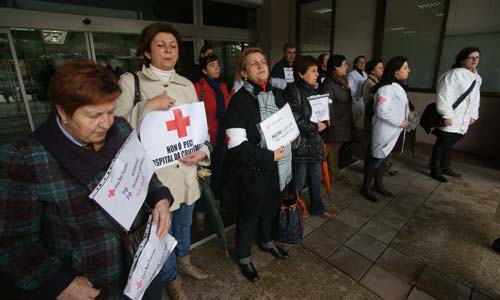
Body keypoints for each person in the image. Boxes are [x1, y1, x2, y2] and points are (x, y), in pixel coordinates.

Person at [0, 60, 172, 300]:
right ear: (62, 111)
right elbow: (13, 243)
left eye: (111, 111)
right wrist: (58, 281)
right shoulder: (26, 159)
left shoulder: (120, 129)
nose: (106, 123)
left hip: (142, 264)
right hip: (90, 284)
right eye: (94, 115)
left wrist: (160, 198)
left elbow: (143, 171)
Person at [115, 22, 210, 299]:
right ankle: (171, 278)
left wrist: (203, 151)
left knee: (183, 226)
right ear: (146, 51)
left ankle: (185, 261)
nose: (168, 50)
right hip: (155, 182)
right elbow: (112, 131)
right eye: (160, 45)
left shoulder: (187, 85)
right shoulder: (130, 83)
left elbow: (198, 130)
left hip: (187, 175)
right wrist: (146, 107)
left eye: (173, 46)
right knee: (161, 234)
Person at [221, 47, 291, 283]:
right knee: (248, 217)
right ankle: (244, 258)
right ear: (243, 72)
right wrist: (268, 157)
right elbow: (237, 146)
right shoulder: (238, 102)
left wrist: (296, 136)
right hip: (253, 171)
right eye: (253, 64)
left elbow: (288, 126)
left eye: (263, 61)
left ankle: (268, 242)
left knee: (271, 209)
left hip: (278, 169)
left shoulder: (277, 94)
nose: (261, 66)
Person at [284, 55, 335, 218]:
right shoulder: (292, 91)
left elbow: (319, 113)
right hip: (301, 145)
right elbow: (293, 116)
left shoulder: (314, 90)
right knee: (298, 181)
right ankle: (292, 212)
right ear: (300, 74)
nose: (317, 75)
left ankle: (317, 207)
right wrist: (314, 126)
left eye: (317, 71)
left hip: (314, 143)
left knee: (315, 178)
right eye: (313, 71)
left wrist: (325, 122)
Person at [360, 56, 411, 202]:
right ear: (395, 72)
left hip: (393, 130)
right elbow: (382, 111)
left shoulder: (396, 87)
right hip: (384, 130)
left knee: (384, 158)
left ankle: (378, 184)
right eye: (405, 68)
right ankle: (366, 187)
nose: (408, 70)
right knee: (375, 159)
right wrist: (400, 122)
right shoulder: (387, 89)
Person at [429, 46, 482, 182]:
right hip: (452, 116)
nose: (475, 60)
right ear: (463, 59)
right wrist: (446, 115)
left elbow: (476, 98)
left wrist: (473, 115)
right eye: (472, 57)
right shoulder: (454, 74)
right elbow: (443, 95)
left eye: (477, 57)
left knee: (450, 142)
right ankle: (434, 169)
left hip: (464, 118)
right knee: (443, 141)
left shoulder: (477, 78)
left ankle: (445, 166)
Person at [193, 54, 230, 231]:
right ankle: (200, 214)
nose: (217, 68)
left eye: (218, 65)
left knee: (218, 175)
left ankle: (214, 207)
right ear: (203, 69)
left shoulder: (222, 86)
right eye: (212, 66)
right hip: (205, 140)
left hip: (222, 138)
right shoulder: (198, 88)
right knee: (204, 178)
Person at [319, 54, 353, 182]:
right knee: (326, 150)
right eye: (344, 65)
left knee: (335, 149)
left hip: (342, 122)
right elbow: (326, 106)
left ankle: (333, 170)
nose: (346, 67)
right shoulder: (329, 83)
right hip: (334, 124)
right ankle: (319, 175)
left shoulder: (341, 80)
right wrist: (331, 123)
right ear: (335, 68)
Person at [347, 55, 368, 130]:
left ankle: (358, 135)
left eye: (364, 62)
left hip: (364, 99)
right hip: (356, 99)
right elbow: (350, 88)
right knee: (355, 120)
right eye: (360, 62)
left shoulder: (365, 73)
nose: (362, 64)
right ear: (355, 64)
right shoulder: (352, 74)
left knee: (361, 119)